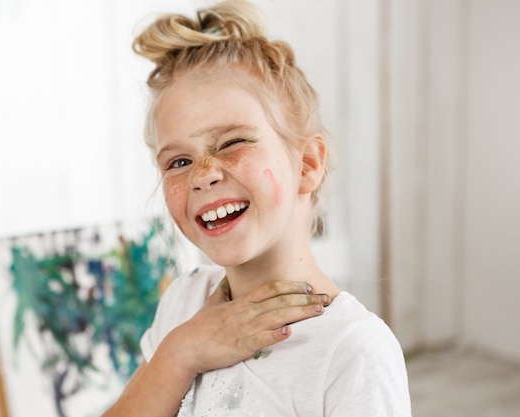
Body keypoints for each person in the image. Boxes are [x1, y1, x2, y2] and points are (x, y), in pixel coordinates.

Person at [103, 0, 411, 415]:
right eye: (179, 162)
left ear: (307, 164)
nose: (201, 175)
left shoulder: (352, 350)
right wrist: (179, 353)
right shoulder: (183, 304)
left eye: (232, 143)